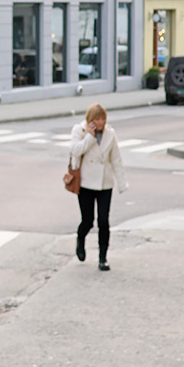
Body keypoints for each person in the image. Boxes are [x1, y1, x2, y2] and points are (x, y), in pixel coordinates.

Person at [69, 103, 127, 271]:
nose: (100, 122)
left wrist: (122, 183)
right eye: (97, 119)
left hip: (104, 183)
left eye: (102, 119)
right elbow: (75, 150)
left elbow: (116, 159)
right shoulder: (79, 131)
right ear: (90, 120)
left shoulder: (110, 133)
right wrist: (89, 137)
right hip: (86, 183)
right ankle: (81, 240)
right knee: (87, 221)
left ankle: (103, 258)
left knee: (103, 220)